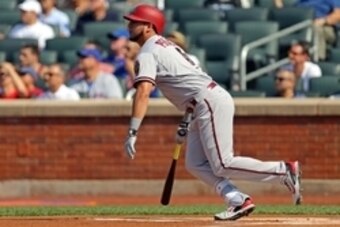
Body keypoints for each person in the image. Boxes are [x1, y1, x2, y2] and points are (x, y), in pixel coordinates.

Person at [123, 4, 302, 221]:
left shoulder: (149, 52)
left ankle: (283, 171)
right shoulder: (165, 47)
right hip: (202, 102)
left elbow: (143, 92)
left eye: (135, 22)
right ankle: (236, 199)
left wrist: (133, 132)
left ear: (149, 27)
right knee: (195, 163)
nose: (130, 25)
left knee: (222, 163)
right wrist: (187, 118)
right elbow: (187, 81)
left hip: (207, 101)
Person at [275, 0, 340, 60]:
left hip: (325, 26)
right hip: (302, 25)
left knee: (315, 29)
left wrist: (323, 21)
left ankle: (317, 59)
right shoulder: (301, 2)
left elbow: (338, 14)